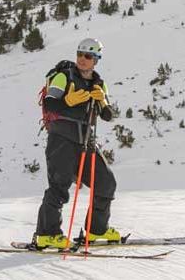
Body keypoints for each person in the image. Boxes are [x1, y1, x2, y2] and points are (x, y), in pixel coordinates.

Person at [33, 36, 122, 249]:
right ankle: (47, 234)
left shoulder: (99, 84)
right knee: (59, 188)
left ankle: (96, 230)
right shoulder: (64, 77)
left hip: (86, 142)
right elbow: (50, 103)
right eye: (80, 54)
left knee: (106, 183)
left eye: (88, 56)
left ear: (96, 59)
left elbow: (108, 115)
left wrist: (102, 101)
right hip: (61, 139)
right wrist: (69, 102)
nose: (82, 59)